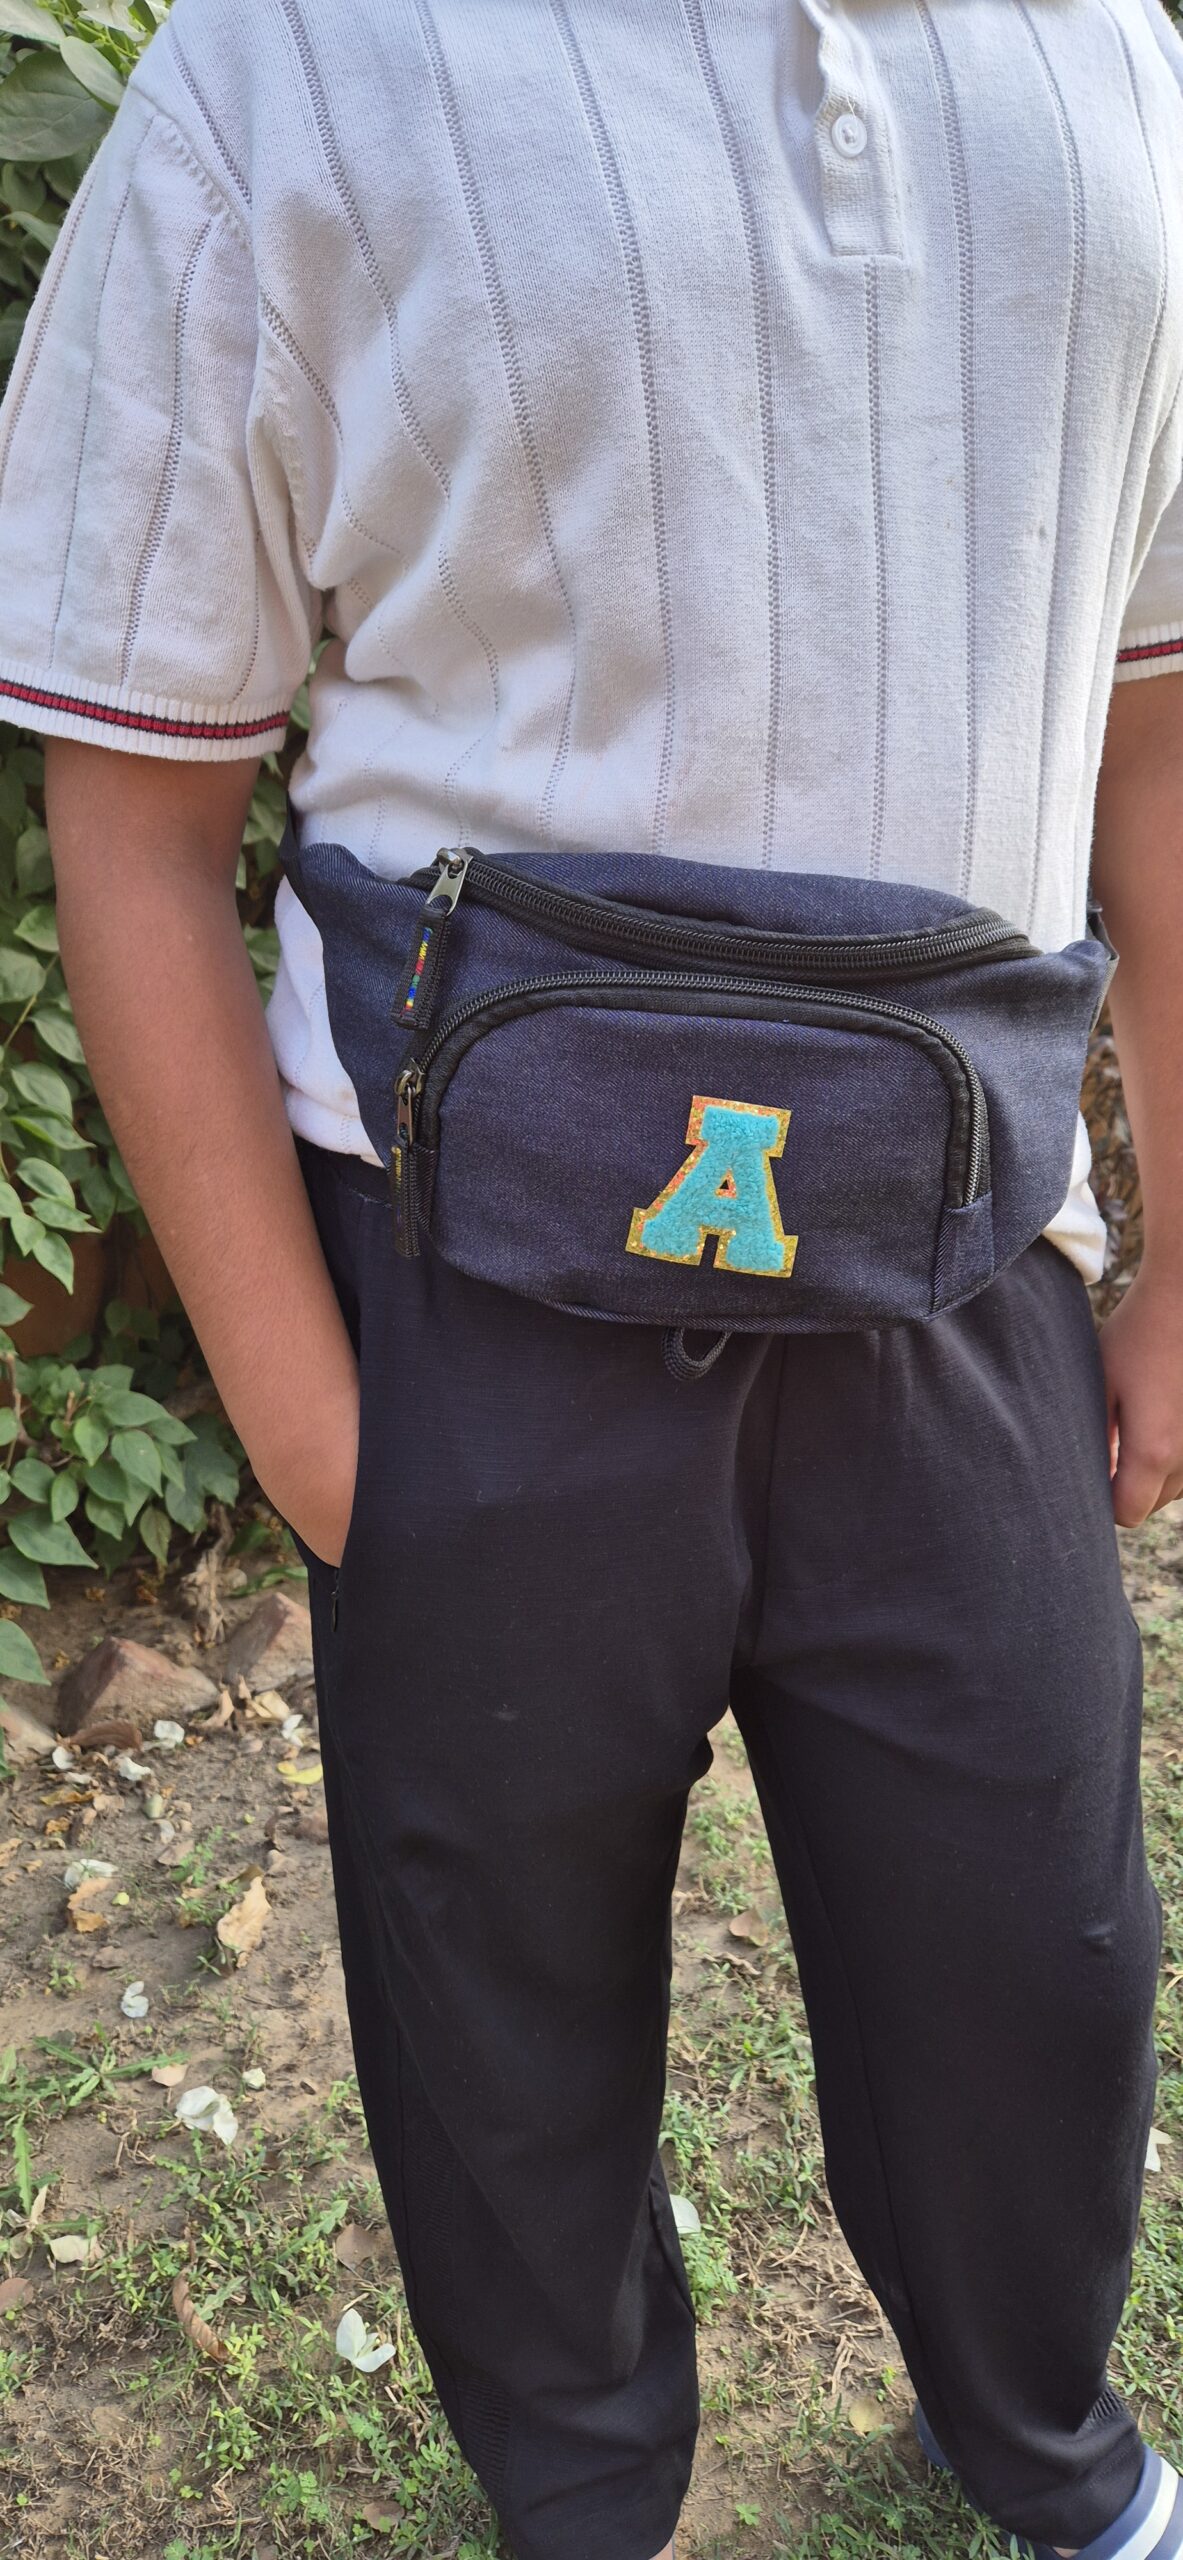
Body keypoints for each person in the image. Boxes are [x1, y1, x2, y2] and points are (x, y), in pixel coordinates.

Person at [1, 1, 1182, 2554]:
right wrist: (318, 1422)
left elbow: (1153, 730)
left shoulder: (1119, 61)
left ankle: (1048, 2449)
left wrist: (1179, 1250)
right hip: (466, 1287)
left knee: (1040, 1957)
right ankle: (579, 2493)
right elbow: (137, 799)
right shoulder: (287, 64)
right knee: (499, 2010)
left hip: (964, 1270)